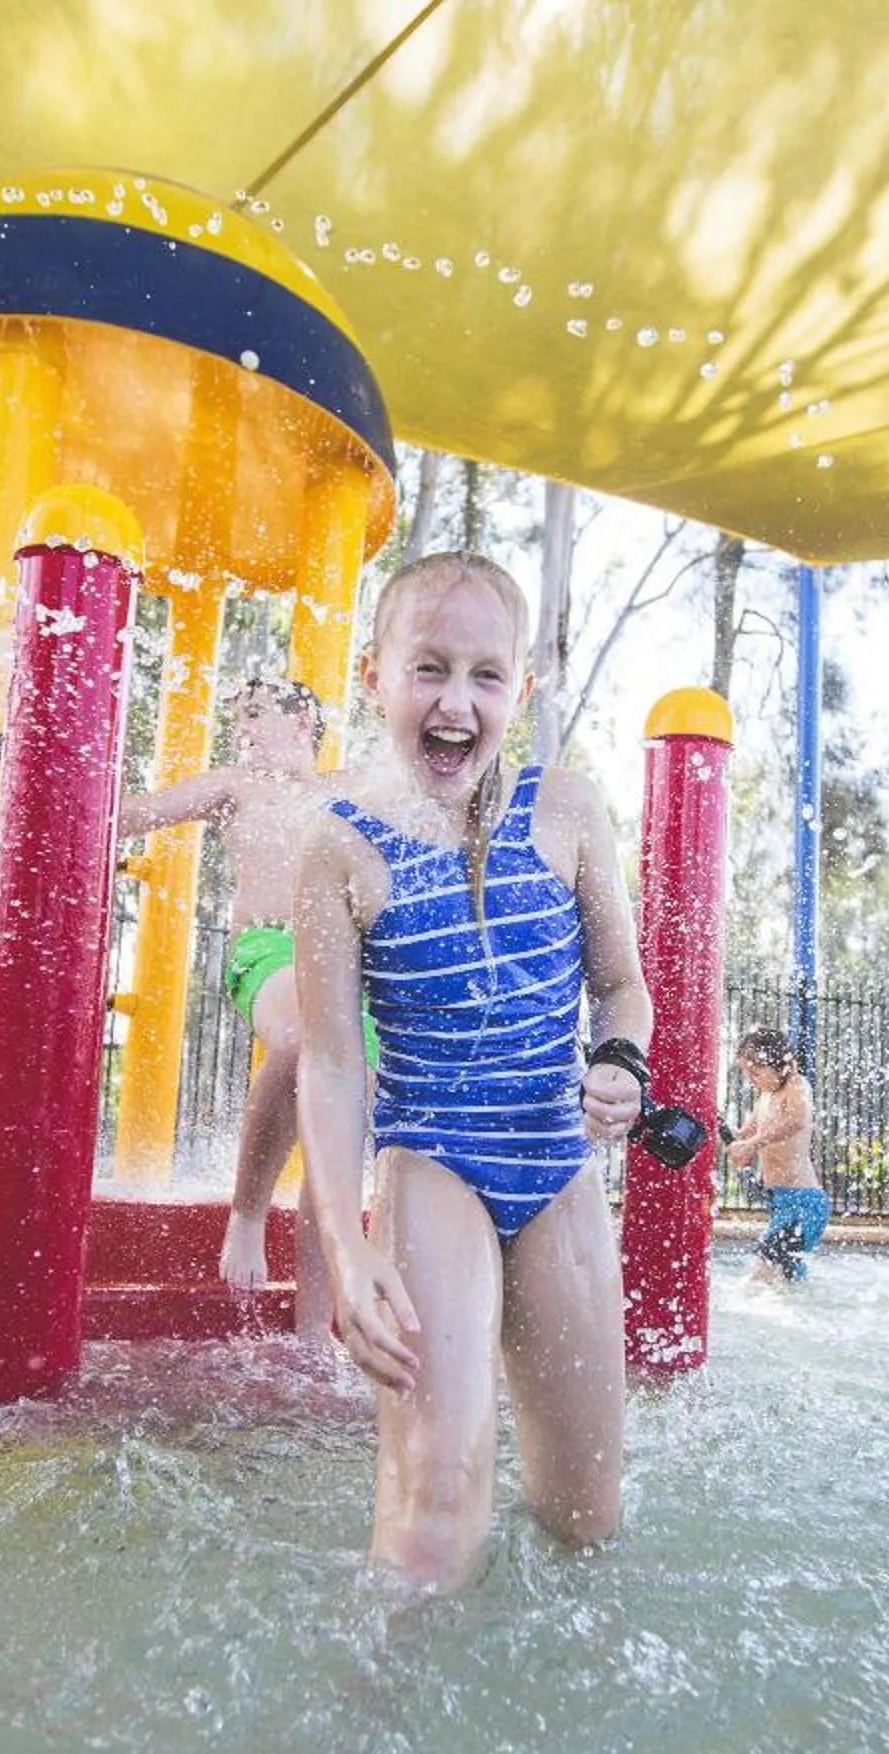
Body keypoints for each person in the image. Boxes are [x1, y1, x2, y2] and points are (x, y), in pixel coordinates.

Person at [287, 551, 650, 1592]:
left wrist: (620, 1060)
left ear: (520, 693)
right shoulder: (340, 850)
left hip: (551, 1163)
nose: (456, 702)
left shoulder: (569, 813)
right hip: (431, 1160)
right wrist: (349, 1252)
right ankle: (382, 1715)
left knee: (588, 1518)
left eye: (486, 676)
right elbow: (330, 1062)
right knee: (436, 1507)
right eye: (428, 669)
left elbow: (623, 986)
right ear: (375, 675)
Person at [0, 674, 355, 1333]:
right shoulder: (234, 785)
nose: (239, 730)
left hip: (340, 965)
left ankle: (313, 1338)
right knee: (301, 1038)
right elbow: (125, 817)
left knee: (340, 1130)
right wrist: (3, 847)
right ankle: (247, 1215)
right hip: (269, 951)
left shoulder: (349, 790)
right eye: (235, 719)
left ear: (302, 721)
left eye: (252, 714)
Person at [727, 1025, 827, 1280]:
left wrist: (753, 1144)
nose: (750, 1079)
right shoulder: (765, 1096)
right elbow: (743, 1136)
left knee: (762, 1272)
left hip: (804, 1203)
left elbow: (798, 1120)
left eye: (755, 1072)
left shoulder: (796, 1085)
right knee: (786, 1278)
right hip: (781, 1201)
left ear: (780, 1064)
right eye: (746, 1072)